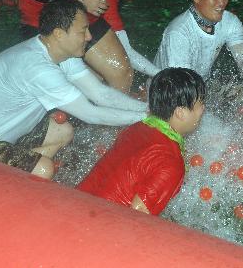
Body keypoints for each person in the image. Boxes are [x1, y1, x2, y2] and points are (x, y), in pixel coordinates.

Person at [0, 0, 147, 180]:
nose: (89, 36)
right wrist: (146, 118)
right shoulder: (36, 67)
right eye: (82, 30)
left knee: (63, 131)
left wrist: (148, 108)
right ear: (59, 34)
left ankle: (10, 172)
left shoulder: (62, 54)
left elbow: (100, 94)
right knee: (43, 170)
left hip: (3, 137)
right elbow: (91, 114)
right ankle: (3, 184)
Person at [77, 68, 206, 215]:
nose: (203, 108)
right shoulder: (171, 163)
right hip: (97, 225)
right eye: (200, 103)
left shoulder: (138, 128)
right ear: (180, 113)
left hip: (77, 205)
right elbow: (138, 215)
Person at [154, 0, 243, 89]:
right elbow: (181, 85)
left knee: (242, 90)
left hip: (199, 84)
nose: (222, 2)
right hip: (166, 91)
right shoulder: (179, 33)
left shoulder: (230, 21)